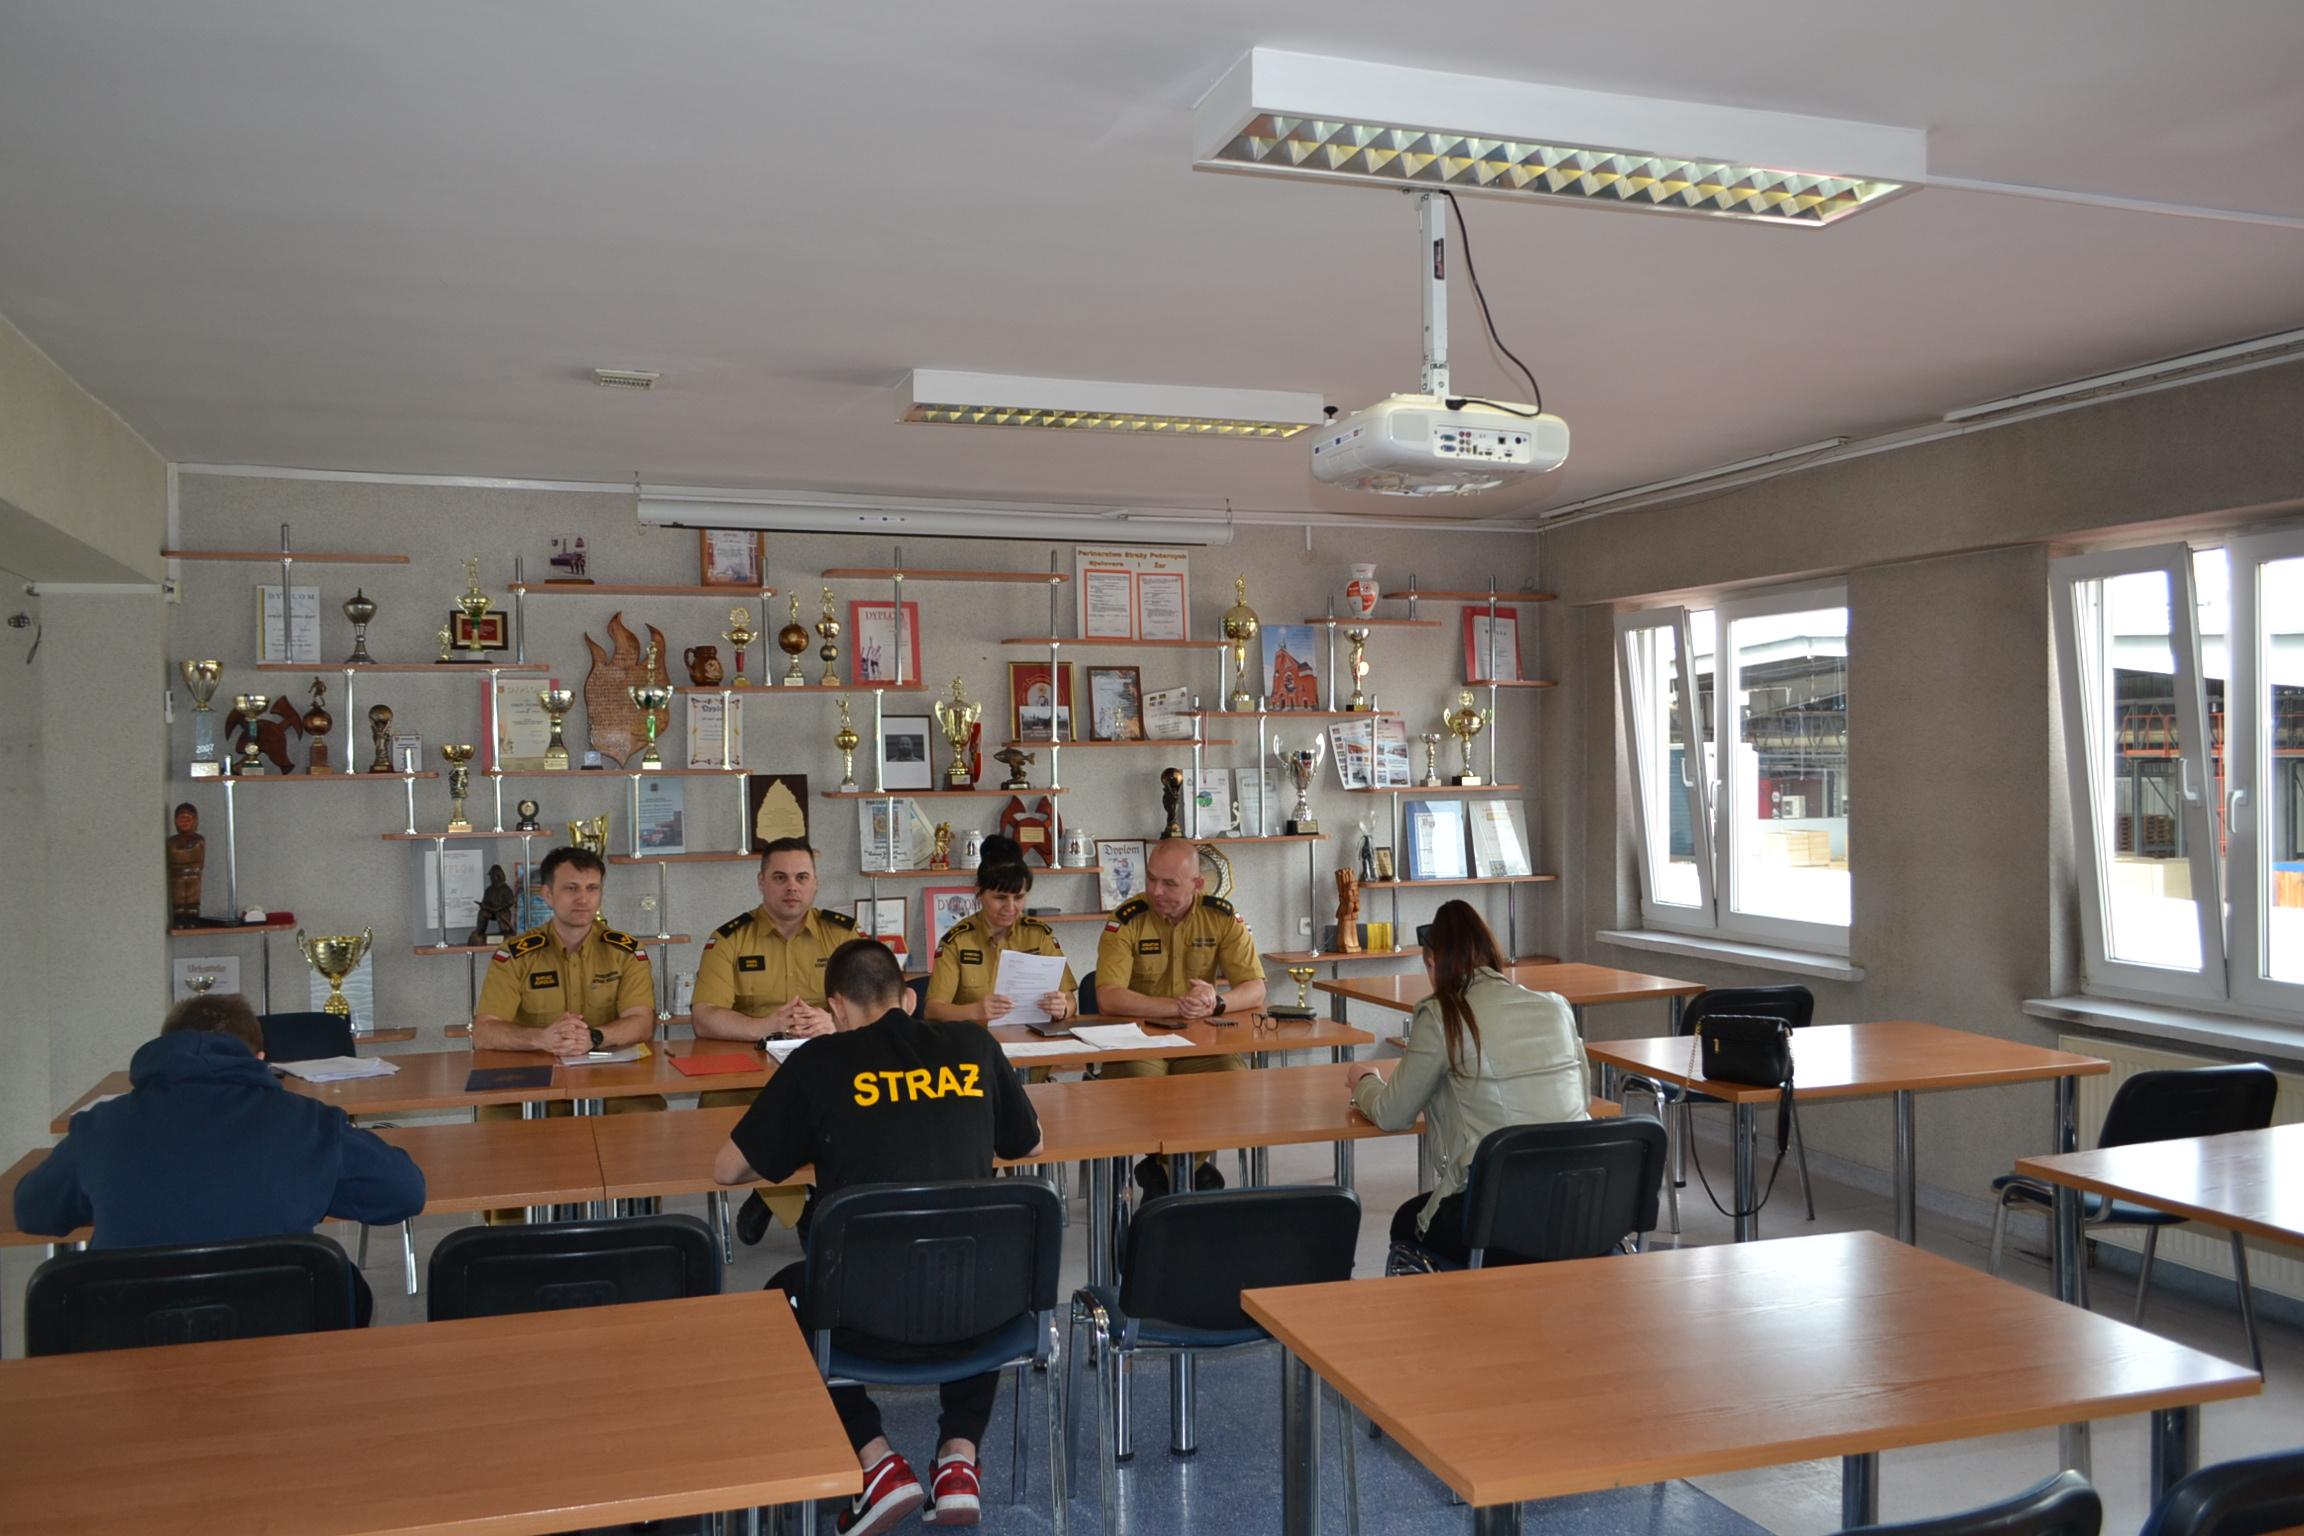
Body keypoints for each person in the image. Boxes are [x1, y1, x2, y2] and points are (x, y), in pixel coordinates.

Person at [715, 938, 1042, 1536]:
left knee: (779, 1298)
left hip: (862, 1314)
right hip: (979, 1311)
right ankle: (959, 1459)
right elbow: (1031, 1143)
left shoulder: (817, 1062)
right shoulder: (975, 1045)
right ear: (908, 999)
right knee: (975, 1256)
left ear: (836, 1009)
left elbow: (728, 1169)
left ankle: (876, 1461)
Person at [14, 992, 423, 1323]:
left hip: (131, 1340)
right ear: (261, 1060)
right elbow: (404, 1192)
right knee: (347, 1285)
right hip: (280, 1336)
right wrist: (314, 1185)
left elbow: (33, 1210)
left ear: (162, 1048)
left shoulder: (100, 1125)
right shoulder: (308, 1123)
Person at [1344, 900, 1590, 1268]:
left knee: (1406, 1221)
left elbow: (1393, 1114)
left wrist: (1364, 1082)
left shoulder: (1443, 1015)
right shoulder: (1557, 1007)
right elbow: (1581, 1097)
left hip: (1496, 1217)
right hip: (1581, 1208)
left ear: (1432, 961)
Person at [691, 836, 857, 1244]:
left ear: (816, 882)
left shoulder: (844, 935)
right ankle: (791, 1199)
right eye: (780, 877)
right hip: (752, 1071)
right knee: (722, 1109)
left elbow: (873, 1005)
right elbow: (704, 1015)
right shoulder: (729, 939)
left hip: (825, 1066)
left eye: (802, 877)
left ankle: (788, 1194)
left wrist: (833, 1021)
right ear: (761, 882)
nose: (791, 887)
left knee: (852, 1109)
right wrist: (765, 1025)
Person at [1095, 836, 1267, 1197]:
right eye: (1151, 879)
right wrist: (1178, 1006)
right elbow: (1108, 997)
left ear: (1197, 884)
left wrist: (1217, 1003)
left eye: (1169, 883)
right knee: (1150, 1093)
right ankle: (1187, 1176)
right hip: (1139, 1043)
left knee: (1235, 1082)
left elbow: (1255, 988)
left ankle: (1165, 1172)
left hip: (1199, 1043)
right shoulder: (1127, 919)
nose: (1156, 891)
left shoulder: (1221, 917)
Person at [924, 842, 1075, 1027]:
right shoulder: (957, 941)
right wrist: (975, 1011)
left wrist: (1062, 1008)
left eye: (1018, 898)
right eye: (1000, 898)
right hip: (975, 1038)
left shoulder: (1039, 935)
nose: (1010, 907)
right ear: (979, 892)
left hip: (1032, 1036)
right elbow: (932, 1011)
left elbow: (1070, 1000)